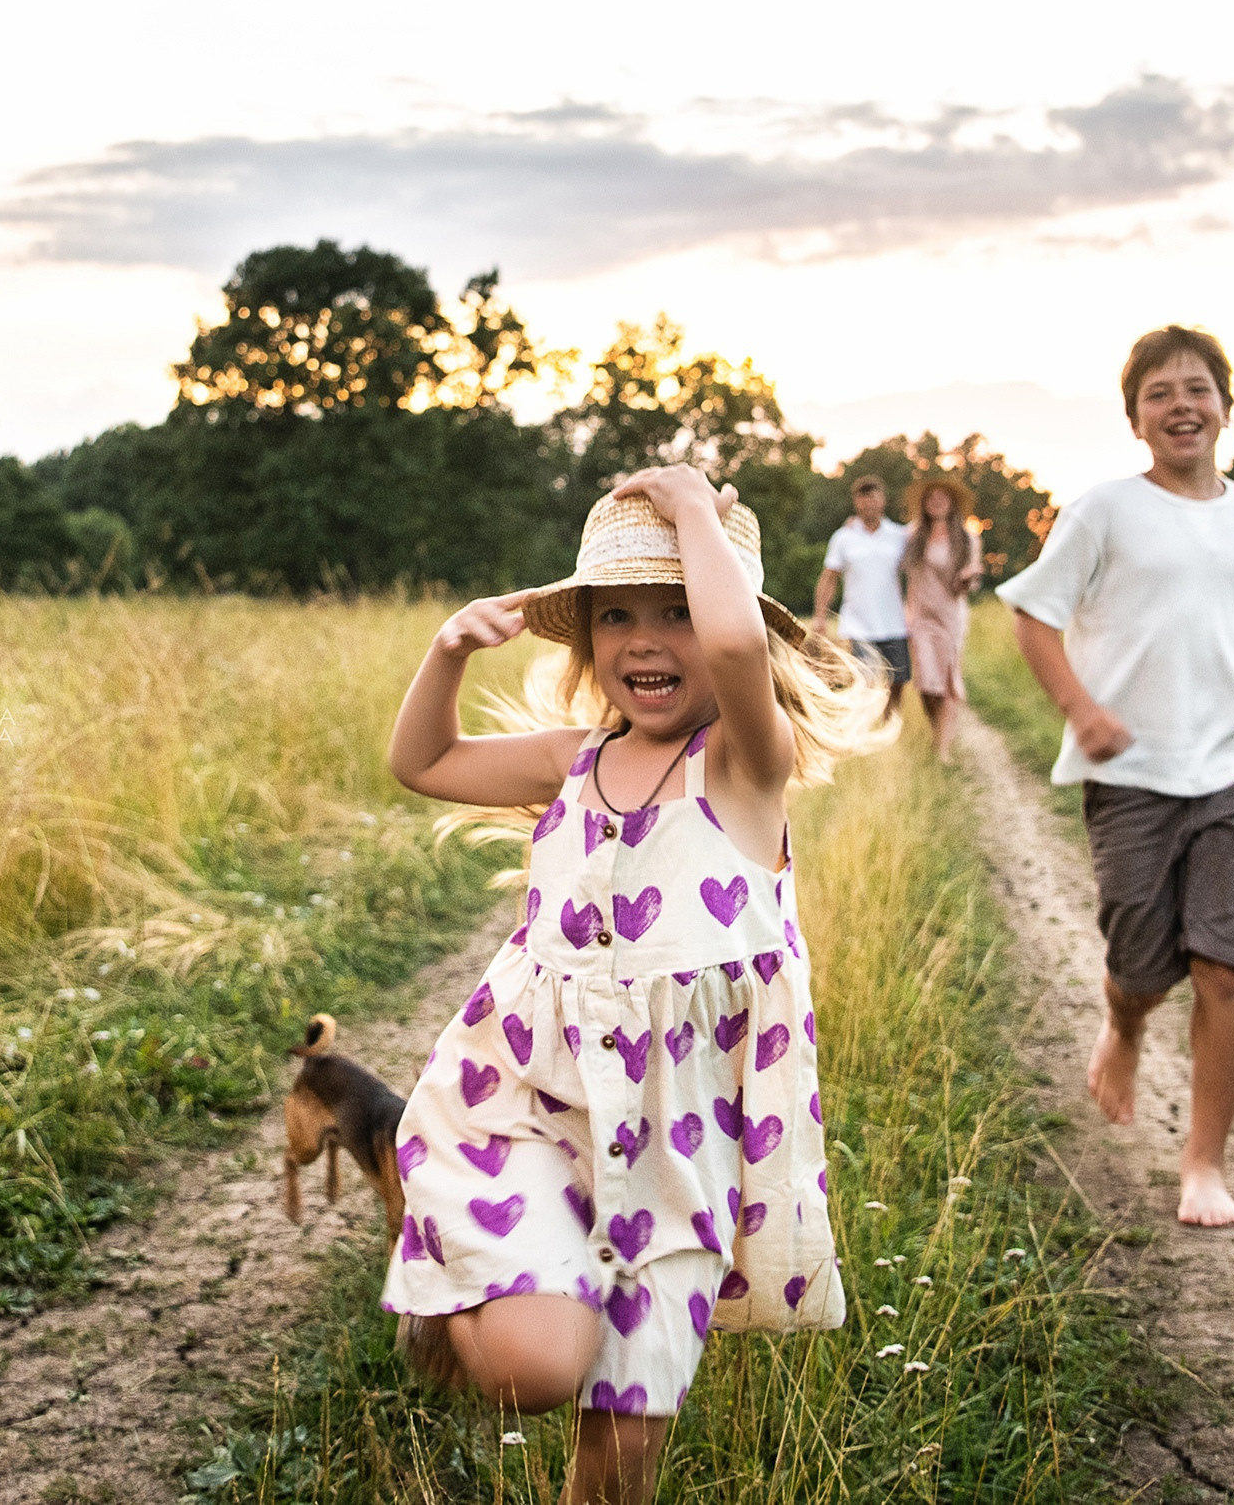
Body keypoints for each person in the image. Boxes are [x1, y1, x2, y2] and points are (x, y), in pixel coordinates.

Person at [382, 467, 889, 1504]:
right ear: (585, 643)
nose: (646, 640)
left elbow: (744, 645)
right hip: (533, 1109)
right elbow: (423, 760)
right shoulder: (574, 760)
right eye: (616, 615)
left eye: (678, 611)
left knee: (619, 1462)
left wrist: (696, 507)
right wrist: (445, 652)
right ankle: (462, 1287)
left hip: (678, 1152)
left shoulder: (745, 768)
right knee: (537, 1368)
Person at [994, 326, 1234, 1229]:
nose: (1181, 404)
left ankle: (1204, 1165)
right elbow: (1034, 617)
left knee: (1225, 963)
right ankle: (1125, 1023)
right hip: (1131, 771)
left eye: (1197, 388)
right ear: (1134, 417)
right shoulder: (1104, 510)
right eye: (1160, 392)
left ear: (1228, 406)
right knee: (1142, 960)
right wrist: (1081, 709)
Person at [899, 474, 983, 761]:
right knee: (926, 684)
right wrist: (855, 526)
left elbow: (971, 576)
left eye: (942, 498)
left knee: (946, 681)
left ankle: (942, 750)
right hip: (920, 617)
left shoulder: (969, 538)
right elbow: (880, 538)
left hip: (950, 617)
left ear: (952, 503)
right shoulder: (911, 536)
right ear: (924, 504)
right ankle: (938, 729)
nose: (936, 502)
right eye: (931, 498)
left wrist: (968, 577)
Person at [811, 474, 910, 717]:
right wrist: (820, 616)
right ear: (856, 503)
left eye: (873, 498)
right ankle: (867, 725)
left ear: (883, 500)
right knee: (866, 680)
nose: (868, 504)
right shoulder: (843, 538)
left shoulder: (900, 536)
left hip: (893, 621)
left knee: (898, 679)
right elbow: (829, 578)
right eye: (863, 500)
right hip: (858, 624)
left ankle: (890, 720)